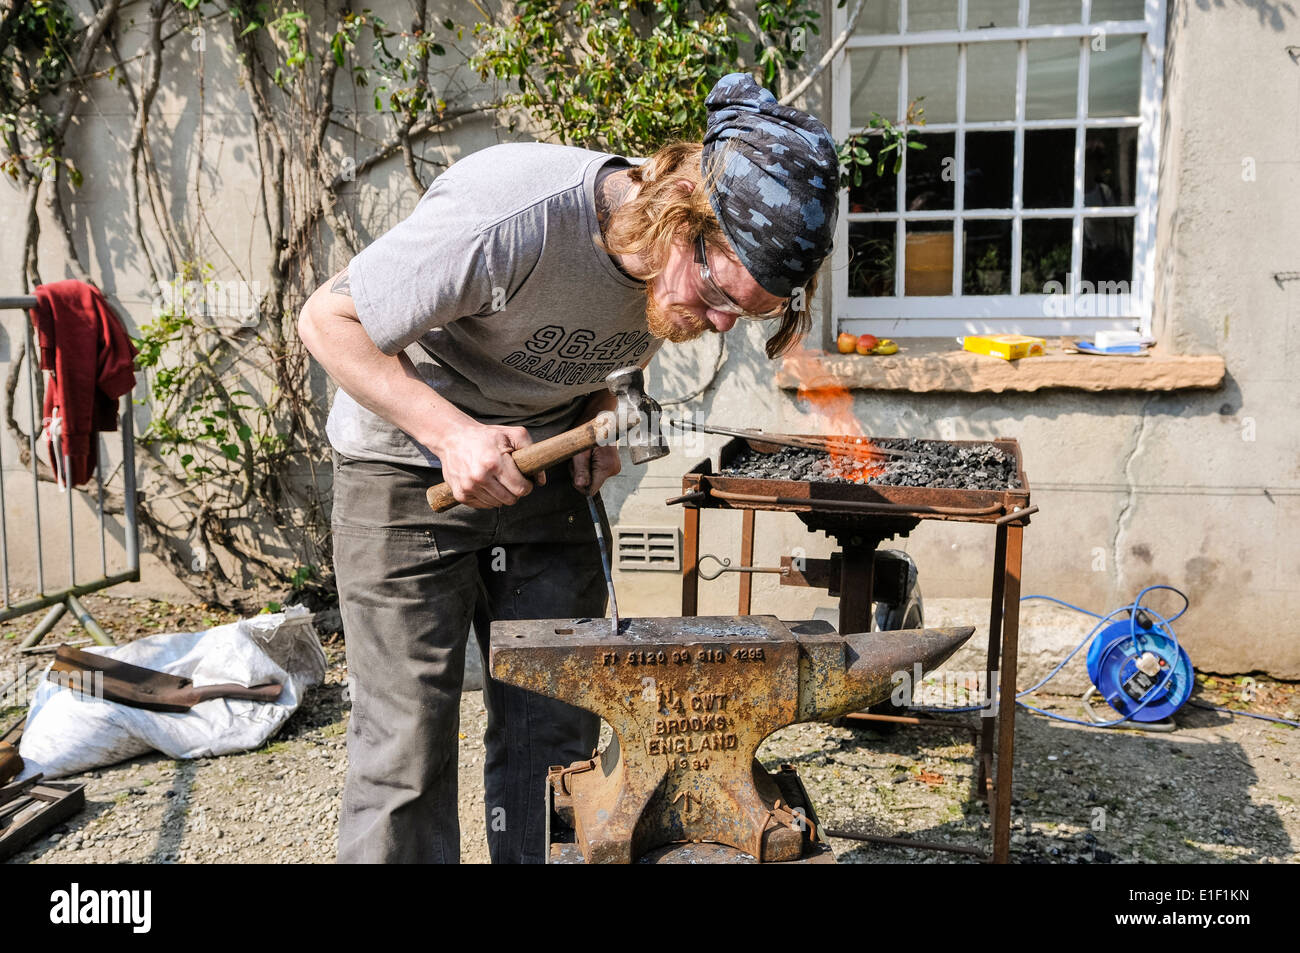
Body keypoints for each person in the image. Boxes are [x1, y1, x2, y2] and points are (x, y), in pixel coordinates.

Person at [297, 72, 840, 864]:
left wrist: (604, 416)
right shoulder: (514, 215)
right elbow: (327, 318)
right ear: (680, 207)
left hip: (547, 481)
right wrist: (451, 433)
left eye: (747, 313)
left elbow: (611, 349)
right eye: (718, 293)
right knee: (405, 745)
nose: (721, 323)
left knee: (559, 730)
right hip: (406, 476)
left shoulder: (674, 274)